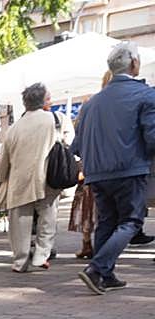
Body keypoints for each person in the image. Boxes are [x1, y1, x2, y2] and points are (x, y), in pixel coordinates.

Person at [71, 42, 155, 294]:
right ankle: (98, 268)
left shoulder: (91, 103)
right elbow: (152, 137)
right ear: (134, 64)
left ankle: (105, 274)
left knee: (107, 220)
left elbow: (76, 144)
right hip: (129, 168)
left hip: (97, 173)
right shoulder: (145, 95)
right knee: (131, 220)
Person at [0, 83, 62, 273]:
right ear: (43, 101)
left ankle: (20, 260)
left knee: (19, 223)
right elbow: (58, 144)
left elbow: (4, 159)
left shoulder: (15, 128)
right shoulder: (50, 119)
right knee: (48, 218)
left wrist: (0, 178)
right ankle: (41, 256)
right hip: (45, 177)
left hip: (19, 180)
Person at [69, 71, 113, 259]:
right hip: (111, 165)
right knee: (107, 210)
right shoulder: (118, 106)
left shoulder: (89, 106)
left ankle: (87, 243)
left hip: (90, 165)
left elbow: (76, 143)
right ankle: (105, 251)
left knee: (87, 203)